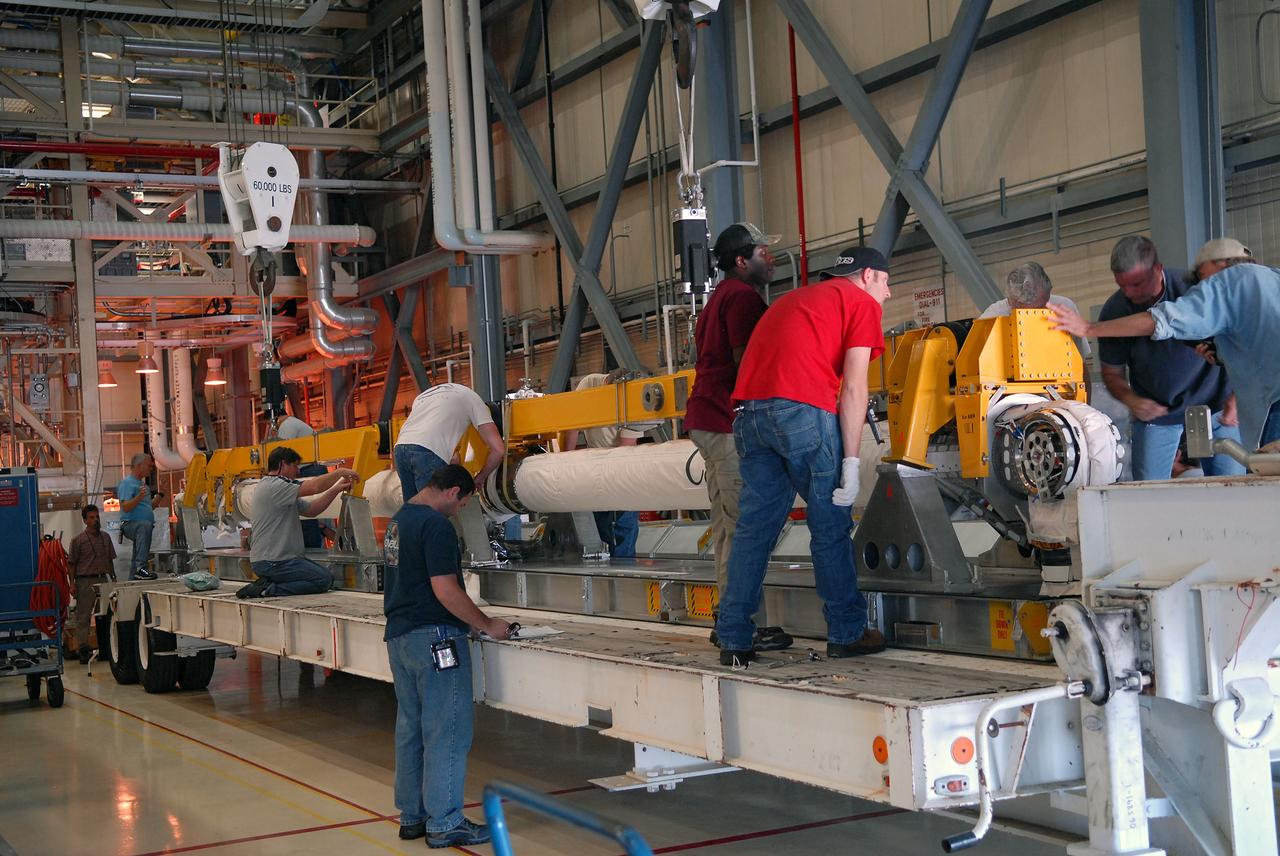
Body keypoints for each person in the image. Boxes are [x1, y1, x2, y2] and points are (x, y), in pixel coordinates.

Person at [714, 246, 891, 666]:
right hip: (802, 412)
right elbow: (853, 389)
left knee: (754, 530)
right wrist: (851, 463)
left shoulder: (796, 299)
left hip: (750, 416)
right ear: (868, 276)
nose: (888, 293)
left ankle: (734, 636)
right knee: (829, 524)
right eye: (886, 281)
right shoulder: (861, 304)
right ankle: (846, 632)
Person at [383, 464, 512, 848]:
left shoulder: (398, 521)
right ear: (453, 491)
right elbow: (445, 590)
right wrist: (487, 623)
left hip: (401, 637)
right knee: (447, 730)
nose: (459, 510)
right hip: (436, 639)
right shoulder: (436, 525)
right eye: (464, 502)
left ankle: (413, 816)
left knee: (411, 727)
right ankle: (445, 821)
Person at [1053, 240, 1280, 452]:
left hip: (1253, 405)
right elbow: (1253, 340)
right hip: (1163, 419)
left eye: (1202, 277)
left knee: (1268, 480)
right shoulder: (1272, 278)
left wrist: (1089, 328)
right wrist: (1220, 354)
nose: (1201, 286)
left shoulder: (1224, 281)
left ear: (1220, 264)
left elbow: (1164, 319)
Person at [686, 222, 790, 652]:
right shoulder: (744, 299)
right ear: (741, 260)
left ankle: (730, 619)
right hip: (727, 422)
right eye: (764, 252)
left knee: (729, 530)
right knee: (744, 528)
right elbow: (749, 364)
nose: (772, 258)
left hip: (709, 419)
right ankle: (740, 626)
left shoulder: (717, 301)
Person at [1080, 235, 1244, 480]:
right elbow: (1112, 373)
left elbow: (1241, 345)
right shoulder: (1115, 312)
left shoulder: (1195, 289)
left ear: (1158, 269)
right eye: (1122, 285)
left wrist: (1236, 397)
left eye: (1136, 284)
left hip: (1217, 406)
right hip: (1158, 414)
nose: (1129, 293)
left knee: (1236, 490)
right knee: (1147, 493)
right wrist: (1132, 400)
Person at [236, 447, 359, 599]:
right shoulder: (274, 486)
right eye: (295, 466)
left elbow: (312, 510)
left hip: (276, 560)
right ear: (283, 464)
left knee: (323, 576)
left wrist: (336, 490)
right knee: (323, 579)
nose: (298, 471)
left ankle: (268, 583)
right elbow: (315, 487)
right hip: (274, 561)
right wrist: (340, 472)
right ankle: (267, 590)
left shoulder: (280, 489)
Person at [562, 370, 658, 558]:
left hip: (622, 464)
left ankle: (623, 565)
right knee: (601, 520)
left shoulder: (632, 402)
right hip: (595, 462)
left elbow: (624, 449)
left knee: (625, 521)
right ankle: (604, 562)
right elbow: (572, 422)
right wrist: (566, 459)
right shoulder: (589, 383)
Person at [394, 384, 505, 498]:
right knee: (435, 510)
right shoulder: (475, 401)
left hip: (400, 449)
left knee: (414, 511)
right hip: (427, 451)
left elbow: (452, 453)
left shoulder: (424, 396)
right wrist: (480, 478)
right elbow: (499, 449)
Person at [979, 261, 1092, 362]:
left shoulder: (1063, 308)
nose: (1043, 311)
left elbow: (1079, 362)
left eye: (1044, 304)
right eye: (1035, 309)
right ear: (1014, 302)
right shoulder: (992, 319)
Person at [275, 415, 337, 549]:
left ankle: (309, 552)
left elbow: (280, 455)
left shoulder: (287, 425)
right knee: (310, 516)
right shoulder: (299, 425)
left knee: (306, 520)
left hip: (309, 471)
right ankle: (312, 551)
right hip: (315, 469)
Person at [67, 504, 116, 664]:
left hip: (103, 579)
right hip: (85, 580)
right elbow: (72, 563)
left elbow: (110, 560)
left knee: (105, 615)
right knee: (84, 616)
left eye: (97, 517)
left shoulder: (106, 538)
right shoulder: (78, 541)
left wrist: (113, 579)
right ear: (85, 520)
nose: (95, 520)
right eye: (91, 517)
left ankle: (106, 648)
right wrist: (72, 584)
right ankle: (83, 648)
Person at [117, 453, 165, 580]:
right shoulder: (127, 483)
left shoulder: (143, 486)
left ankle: (134, 577)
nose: (151, 468)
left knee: (138, 550)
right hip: (132, 524)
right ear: (139, 466)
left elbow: (149, 507)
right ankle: (141, 568)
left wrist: (161, 495)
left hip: (140, 525)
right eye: (149, 465)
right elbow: (125, 507)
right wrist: (138, 498)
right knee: (144, 526)